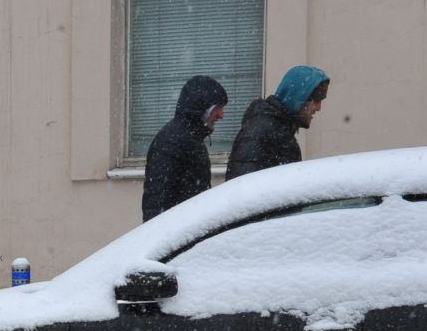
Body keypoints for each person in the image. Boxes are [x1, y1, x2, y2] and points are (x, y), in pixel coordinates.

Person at [141, 75, 227, 221]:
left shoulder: (187, 138)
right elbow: (157, 203)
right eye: (217, 108)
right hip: (177, 235)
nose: (221, 115)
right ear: (202, 108)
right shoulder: (173, 141)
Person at [226, 65, 331, 179]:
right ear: (299, 97)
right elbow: (243, 186)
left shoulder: (278, 130)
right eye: (316, 99)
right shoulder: (262, 132)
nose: (318, 107)